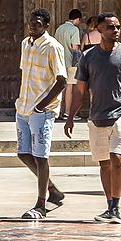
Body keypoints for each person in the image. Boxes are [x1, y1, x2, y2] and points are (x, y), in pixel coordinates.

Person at [74, 11, 121, 224]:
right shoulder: (88, 57)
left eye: (117, 27)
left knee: (117, 158)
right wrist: (70, 116)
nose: (115, 31)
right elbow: (80, 90)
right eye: (110, 27)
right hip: (97, 115)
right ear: (99, 29)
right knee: (104, 163)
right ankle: (109, 206)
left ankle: (116, 204)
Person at [14, 6, 70, 218]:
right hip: (24, 107)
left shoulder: (52, 47)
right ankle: (52, 189)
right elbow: (25, 73)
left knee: (41, 156)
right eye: (31, 23)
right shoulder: (25, 44)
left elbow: (62, 80)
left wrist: (41, 105)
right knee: (23, 153)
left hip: (42, 110)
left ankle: (41, 205)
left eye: (37, 24)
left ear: (47, 26)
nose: (32, 26)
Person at [51, 8, 88, 141]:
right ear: (77, 19)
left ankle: (56, 111)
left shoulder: (59, 29)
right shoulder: (74, 30)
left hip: (59, 61)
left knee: (58, 86)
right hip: (70, 62)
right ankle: (67, 112)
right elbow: (75, 47)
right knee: (69, 87)